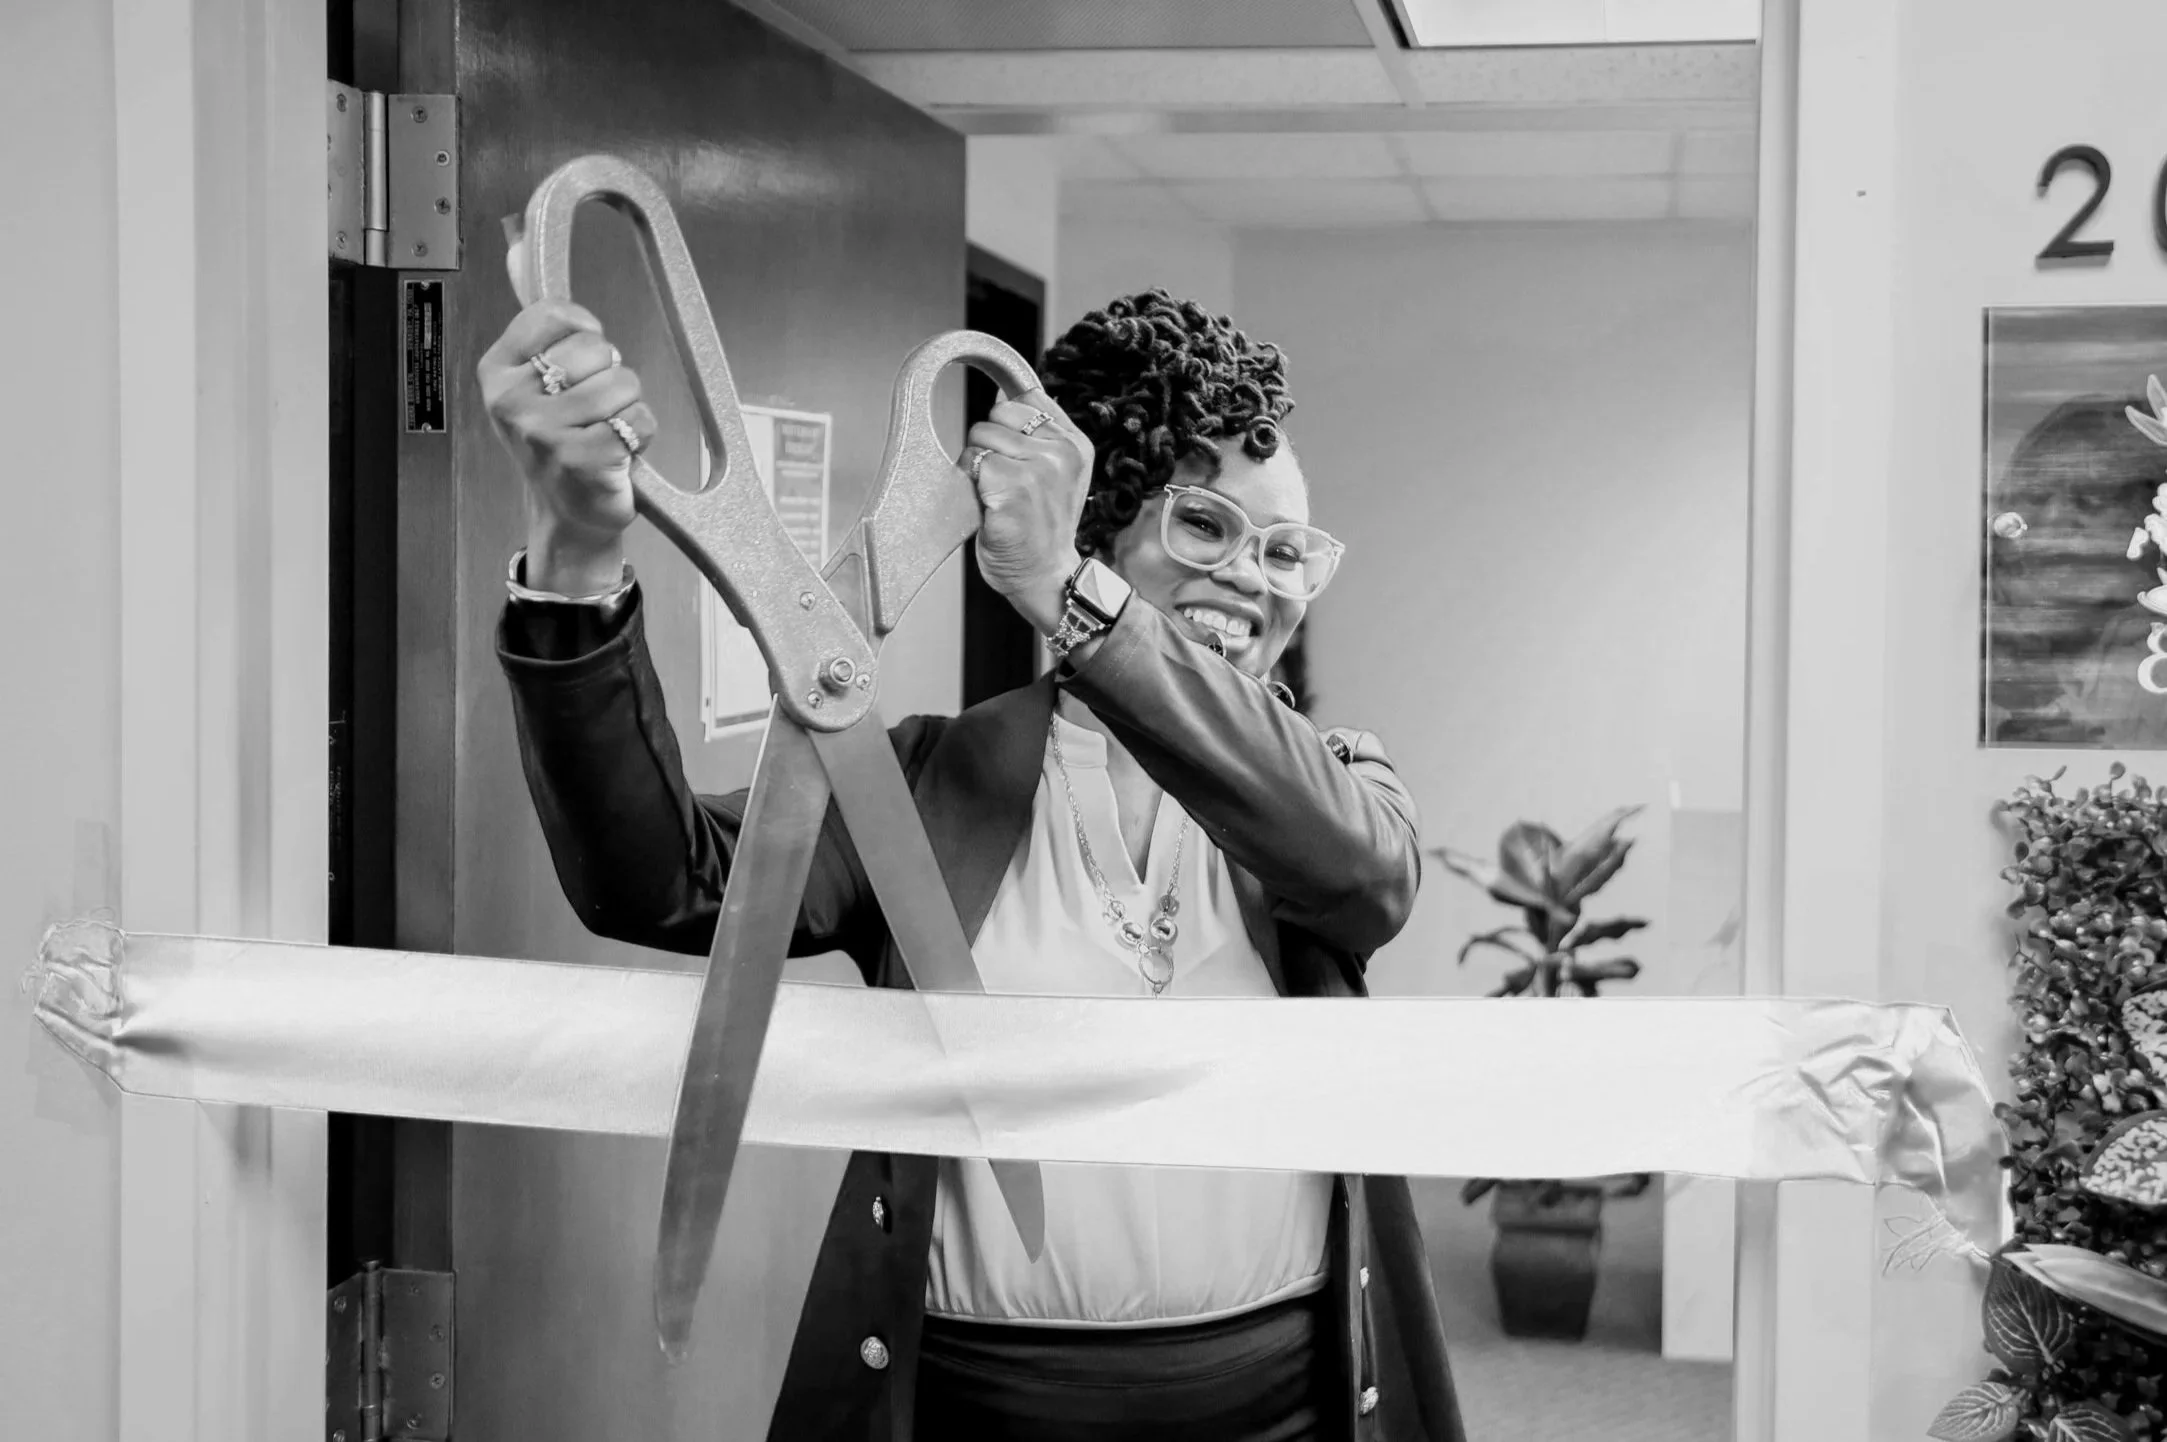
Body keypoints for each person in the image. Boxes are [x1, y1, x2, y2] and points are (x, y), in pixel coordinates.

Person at [480, 288, 1464, 1441]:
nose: (1255, 577)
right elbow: (658, 880)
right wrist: (579, 556)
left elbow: (1366, 878)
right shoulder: (930, 780)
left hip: (1282, 1405)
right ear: (1091, 523)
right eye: (1205, 527)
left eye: (1286, 549)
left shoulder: (1336, 784)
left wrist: (1072, 600)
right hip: (979, 1408)